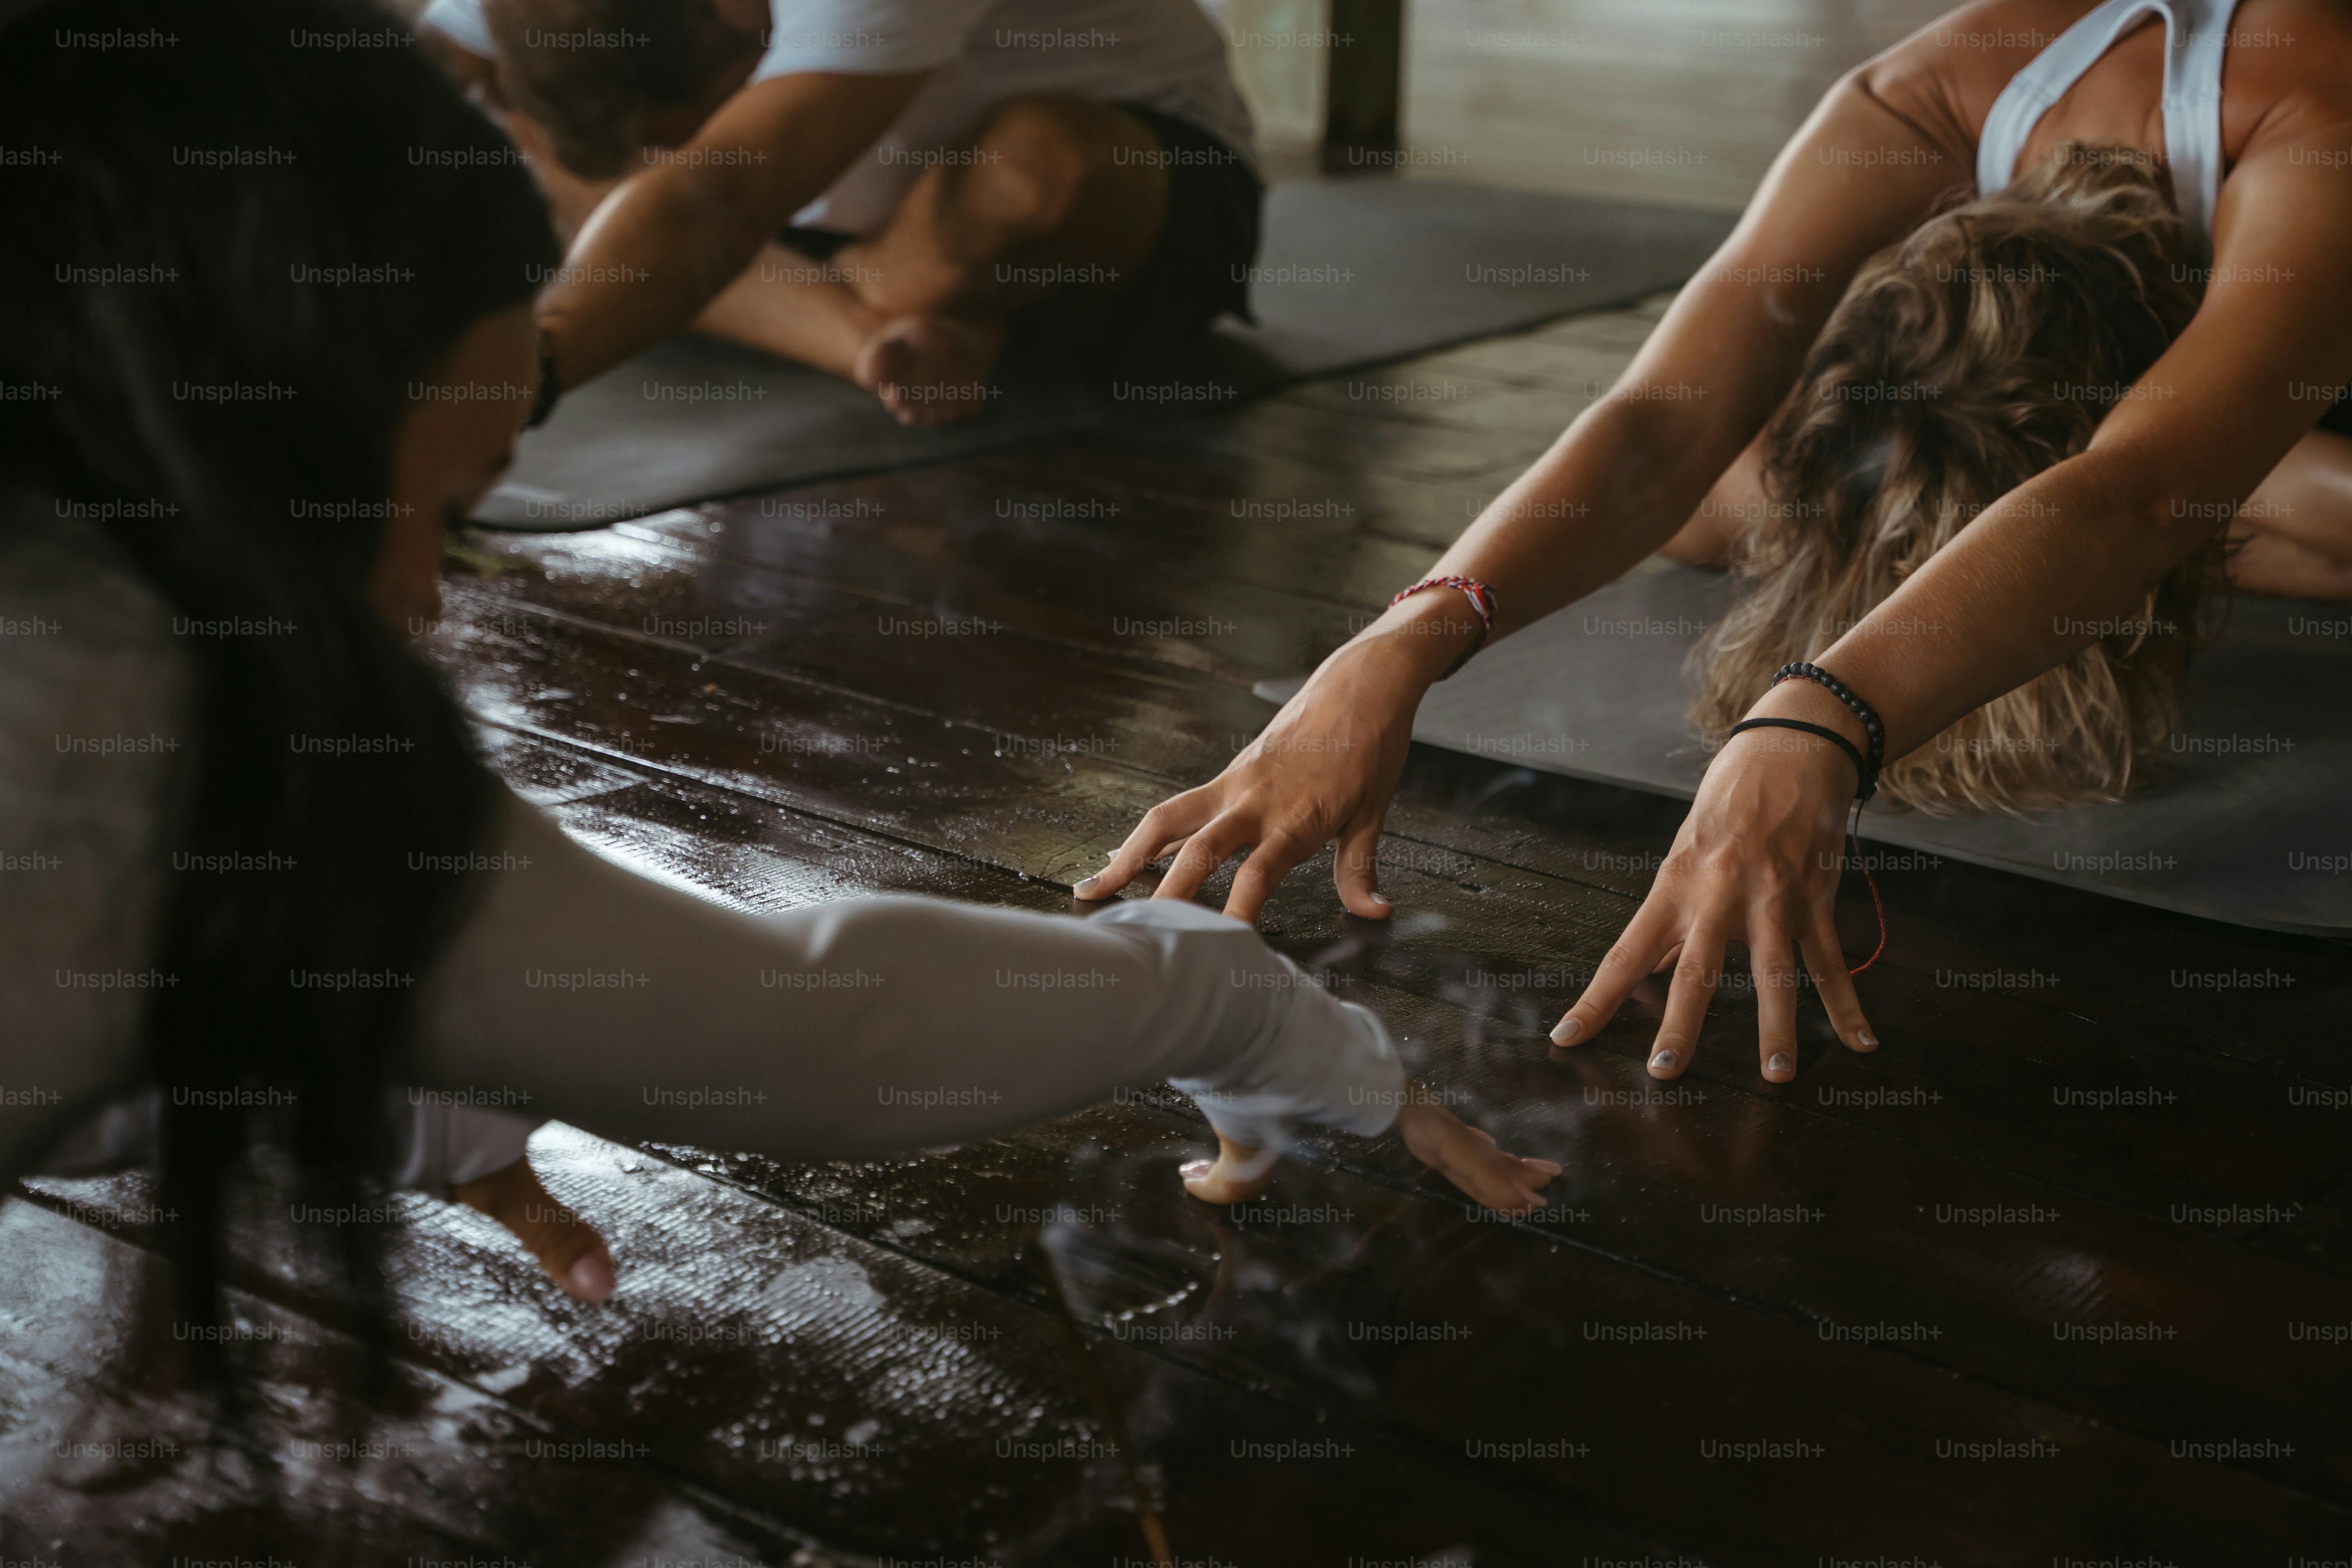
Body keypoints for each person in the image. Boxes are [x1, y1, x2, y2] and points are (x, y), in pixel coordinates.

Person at [0, 0, 1551, 1378]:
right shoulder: (171, 733)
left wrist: (368, 1028)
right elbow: (819, 1022)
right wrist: (1242, 1003)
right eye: (441, 510)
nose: (418, 600)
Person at [1079, 0, 2352, 1085]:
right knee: (1711, 499)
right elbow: (1652, 426)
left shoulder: (2315, 119)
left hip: (2269, 418)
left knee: (2223, 515)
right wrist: (1403, 637)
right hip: (2095, 398)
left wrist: (1820, 715)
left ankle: (2103, 512)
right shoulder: (1925, 95)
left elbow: (2131, 492)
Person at [415, 0, 1263, 426]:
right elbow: (438, 75)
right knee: (530, 146)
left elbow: (717, 199)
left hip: (1135, 192)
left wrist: (507, 388)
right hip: (814, 217)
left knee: (1037, 170)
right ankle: (861, 337)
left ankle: (795, 292)